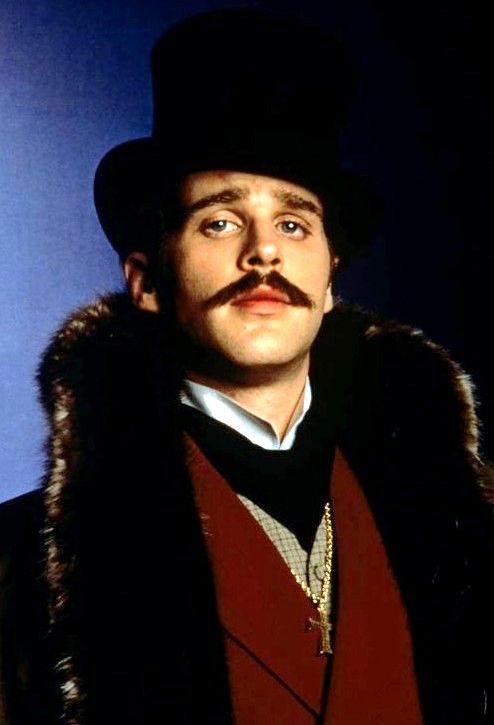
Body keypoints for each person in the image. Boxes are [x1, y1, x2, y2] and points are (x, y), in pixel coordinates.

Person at [0, 8, 492, 725]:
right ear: (147, 281)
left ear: (329, 280)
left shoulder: (466, 526)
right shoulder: (22, 564)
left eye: (293, 223)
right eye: (220, 221)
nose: (264, 252)